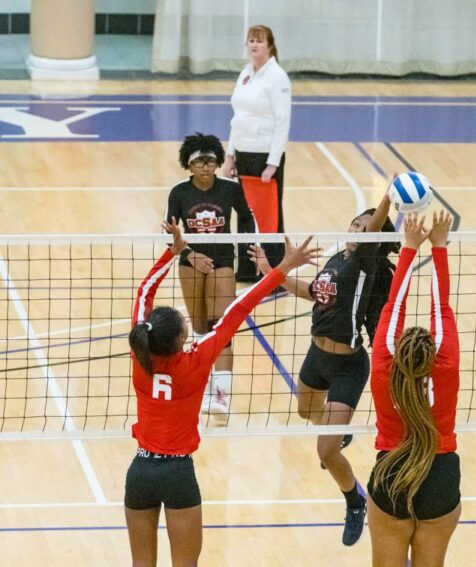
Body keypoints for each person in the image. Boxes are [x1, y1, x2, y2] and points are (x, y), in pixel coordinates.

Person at [125, 218, 319, 566]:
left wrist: (173, 252)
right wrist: (283, 268)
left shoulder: (141, 358)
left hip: (140, 472)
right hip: (177, 474)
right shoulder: (196, 361)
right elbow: (236, 310)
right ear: (182, 340)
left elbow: (143, 293)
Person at [249, 193, 399, 546]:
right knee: (305, 411)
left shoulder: (365, 264)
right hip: (316, 358)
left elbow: (375, 226)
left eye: (366, 227)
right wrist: (273, 274)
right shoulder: (337, 257)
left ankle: (354, 501)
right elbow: (312, 292)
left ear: (374, 238)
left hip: (348, 366)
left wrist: (388, 197)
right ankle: (337, 431)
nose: (358, 229)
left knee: (325, 452)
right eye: (355, 223)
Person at [367, 211, 461, 567]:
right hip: (440, 475)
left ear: (398, 346)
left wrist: (409, 246)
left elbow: (394, 305)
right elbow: (442, 306)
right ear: (433, 351)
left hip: (393, 471)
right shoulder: (446, 364)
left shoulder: (383, 367)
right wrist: (439, 246)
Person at [166, 132, 256, 418]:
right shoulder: (179, 192)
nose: (206, 167)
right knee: (200, 328)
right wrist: (191, 255)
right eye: (200, 162)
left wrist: (247, 256)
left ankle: (221, 396)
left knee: (221, 328)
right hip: (190, 260)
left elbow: (246, 219)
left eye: (211, 161)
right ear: (189, 165)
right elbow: (169, 234)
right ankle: (202, 386)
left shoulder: (230, 189)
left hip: (221, 260)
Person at [222, 24, 291, 283]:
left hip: (265, 157)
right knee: (244, 212)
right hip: (243, 153)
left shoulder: (278, 77)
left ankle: (274, 272)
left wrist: (273, 163)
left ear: (270, 46)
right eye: (251, 40)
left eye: (259, 41)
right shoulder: (246, 73)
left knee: (269, 216)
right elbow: (237, 118)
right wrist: (230, 156)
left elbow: (283, 122)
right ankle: (248, 269)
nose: (254, 45)